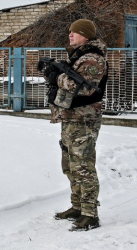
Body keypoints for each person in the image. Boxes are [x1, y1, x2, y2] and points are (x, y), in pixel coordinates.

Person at [46, 19, 108, 231]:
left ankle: (90, 214)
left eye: (75, 32)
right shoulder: (79, 56)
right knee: (70, 165)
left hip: (84, 120)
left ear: (86, 35)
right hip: (71, 118)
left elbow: (85, 88)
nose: (70, 35)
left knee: (83, 166)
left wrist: (56, 78)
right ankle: (78, 207)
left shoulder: (93, 58)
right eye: (70, 31)